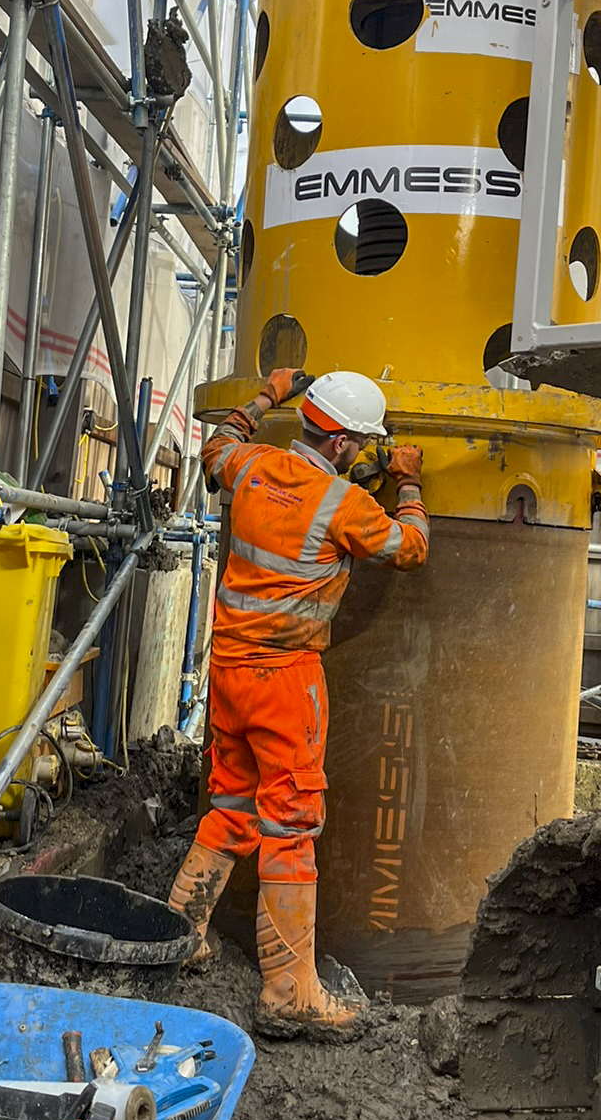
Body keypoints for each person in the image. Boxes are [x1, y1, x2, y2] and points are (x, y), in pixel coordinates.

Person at [166, 367, 429, 1039]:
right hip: (286, 681)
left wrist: (268, 393)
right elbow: (410, 548)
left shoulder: (249, 467)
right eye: (367, 443)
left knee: (231, 802)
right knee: (289, 824)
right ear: (340, 444)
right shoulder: (342, 504)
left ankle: (181, 933)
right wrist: (407, 481)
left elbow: (215, 445)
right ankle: (288, 991)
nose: (369, 452)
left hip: (227, 667)